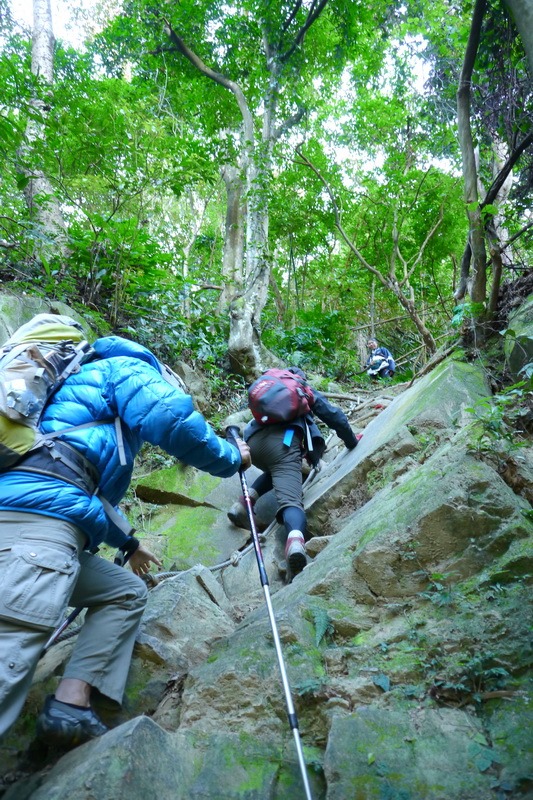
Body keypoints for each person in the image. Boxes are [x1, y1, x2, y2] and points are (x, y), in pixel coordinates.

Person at [0, 333, 250, 746]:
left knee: (125, 592)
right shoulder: (124, 369)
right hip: (37, 533)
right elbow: (172, 420)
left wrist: (129, 545)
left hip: (33, 523)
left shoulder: (59, 398)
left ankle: (70, 707)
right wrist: (231, 457)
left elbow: (72, 484)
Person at [227, 367, 358, 577]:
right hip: (282, 444)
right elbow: (334, 416)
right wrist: (351, 441)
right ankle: (295, 544)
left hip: (251, 444)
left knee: (277, 471)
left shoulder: (269, 386)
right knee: (291, 500)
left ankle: (244, 503)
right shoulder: (301, 388)